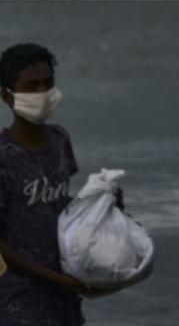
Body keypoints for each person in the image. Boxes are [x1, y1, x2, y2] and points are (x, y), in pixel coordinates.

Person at [0, 43, 100, 326]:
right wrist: (54, 277)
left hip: (64, 295)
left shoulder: (59, 140)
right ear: (7, 95)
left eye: (48, 83)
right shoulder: (4, 157)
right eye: (32, 86)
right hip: (17, 301)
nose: (42, 93)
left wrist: (103, 205)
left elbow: (59, 205)